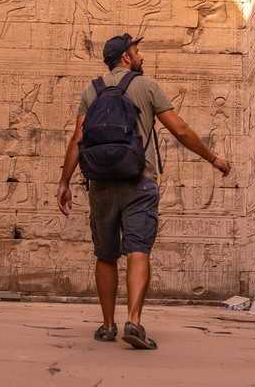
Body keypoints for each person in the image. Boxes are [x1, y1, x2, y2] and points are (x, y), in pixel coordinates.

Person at [56, 33, 231, 350]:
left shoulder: (91, 90)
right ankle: (134, 322)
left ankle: (107, 326)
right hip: (139, 181)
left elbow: (77, 140)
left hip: (101, 185)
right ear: (126, 57)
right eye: (137, 51)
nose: (141, 57)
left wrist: (65, 182)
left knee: (105, 255)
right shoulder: (146, 86)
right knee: (139, 250)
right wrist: (213, 158)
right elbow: (180, 129)